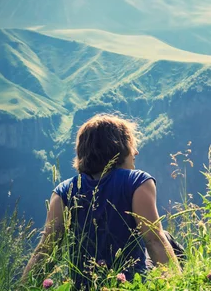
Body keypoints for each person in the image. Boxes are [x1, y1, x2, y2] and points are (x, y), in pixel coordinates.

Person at [22, 114, 181, 288]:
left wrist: (22, 288)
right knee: (165, 238)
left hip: (85, 286)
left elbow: (45, 250)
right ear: (118, 148)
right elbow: (153, 240)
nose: (135, 152)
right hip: (131, 285)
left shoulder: (62, 192)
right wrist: (179, 285)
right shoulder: (138, 182)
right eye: (131, 145)